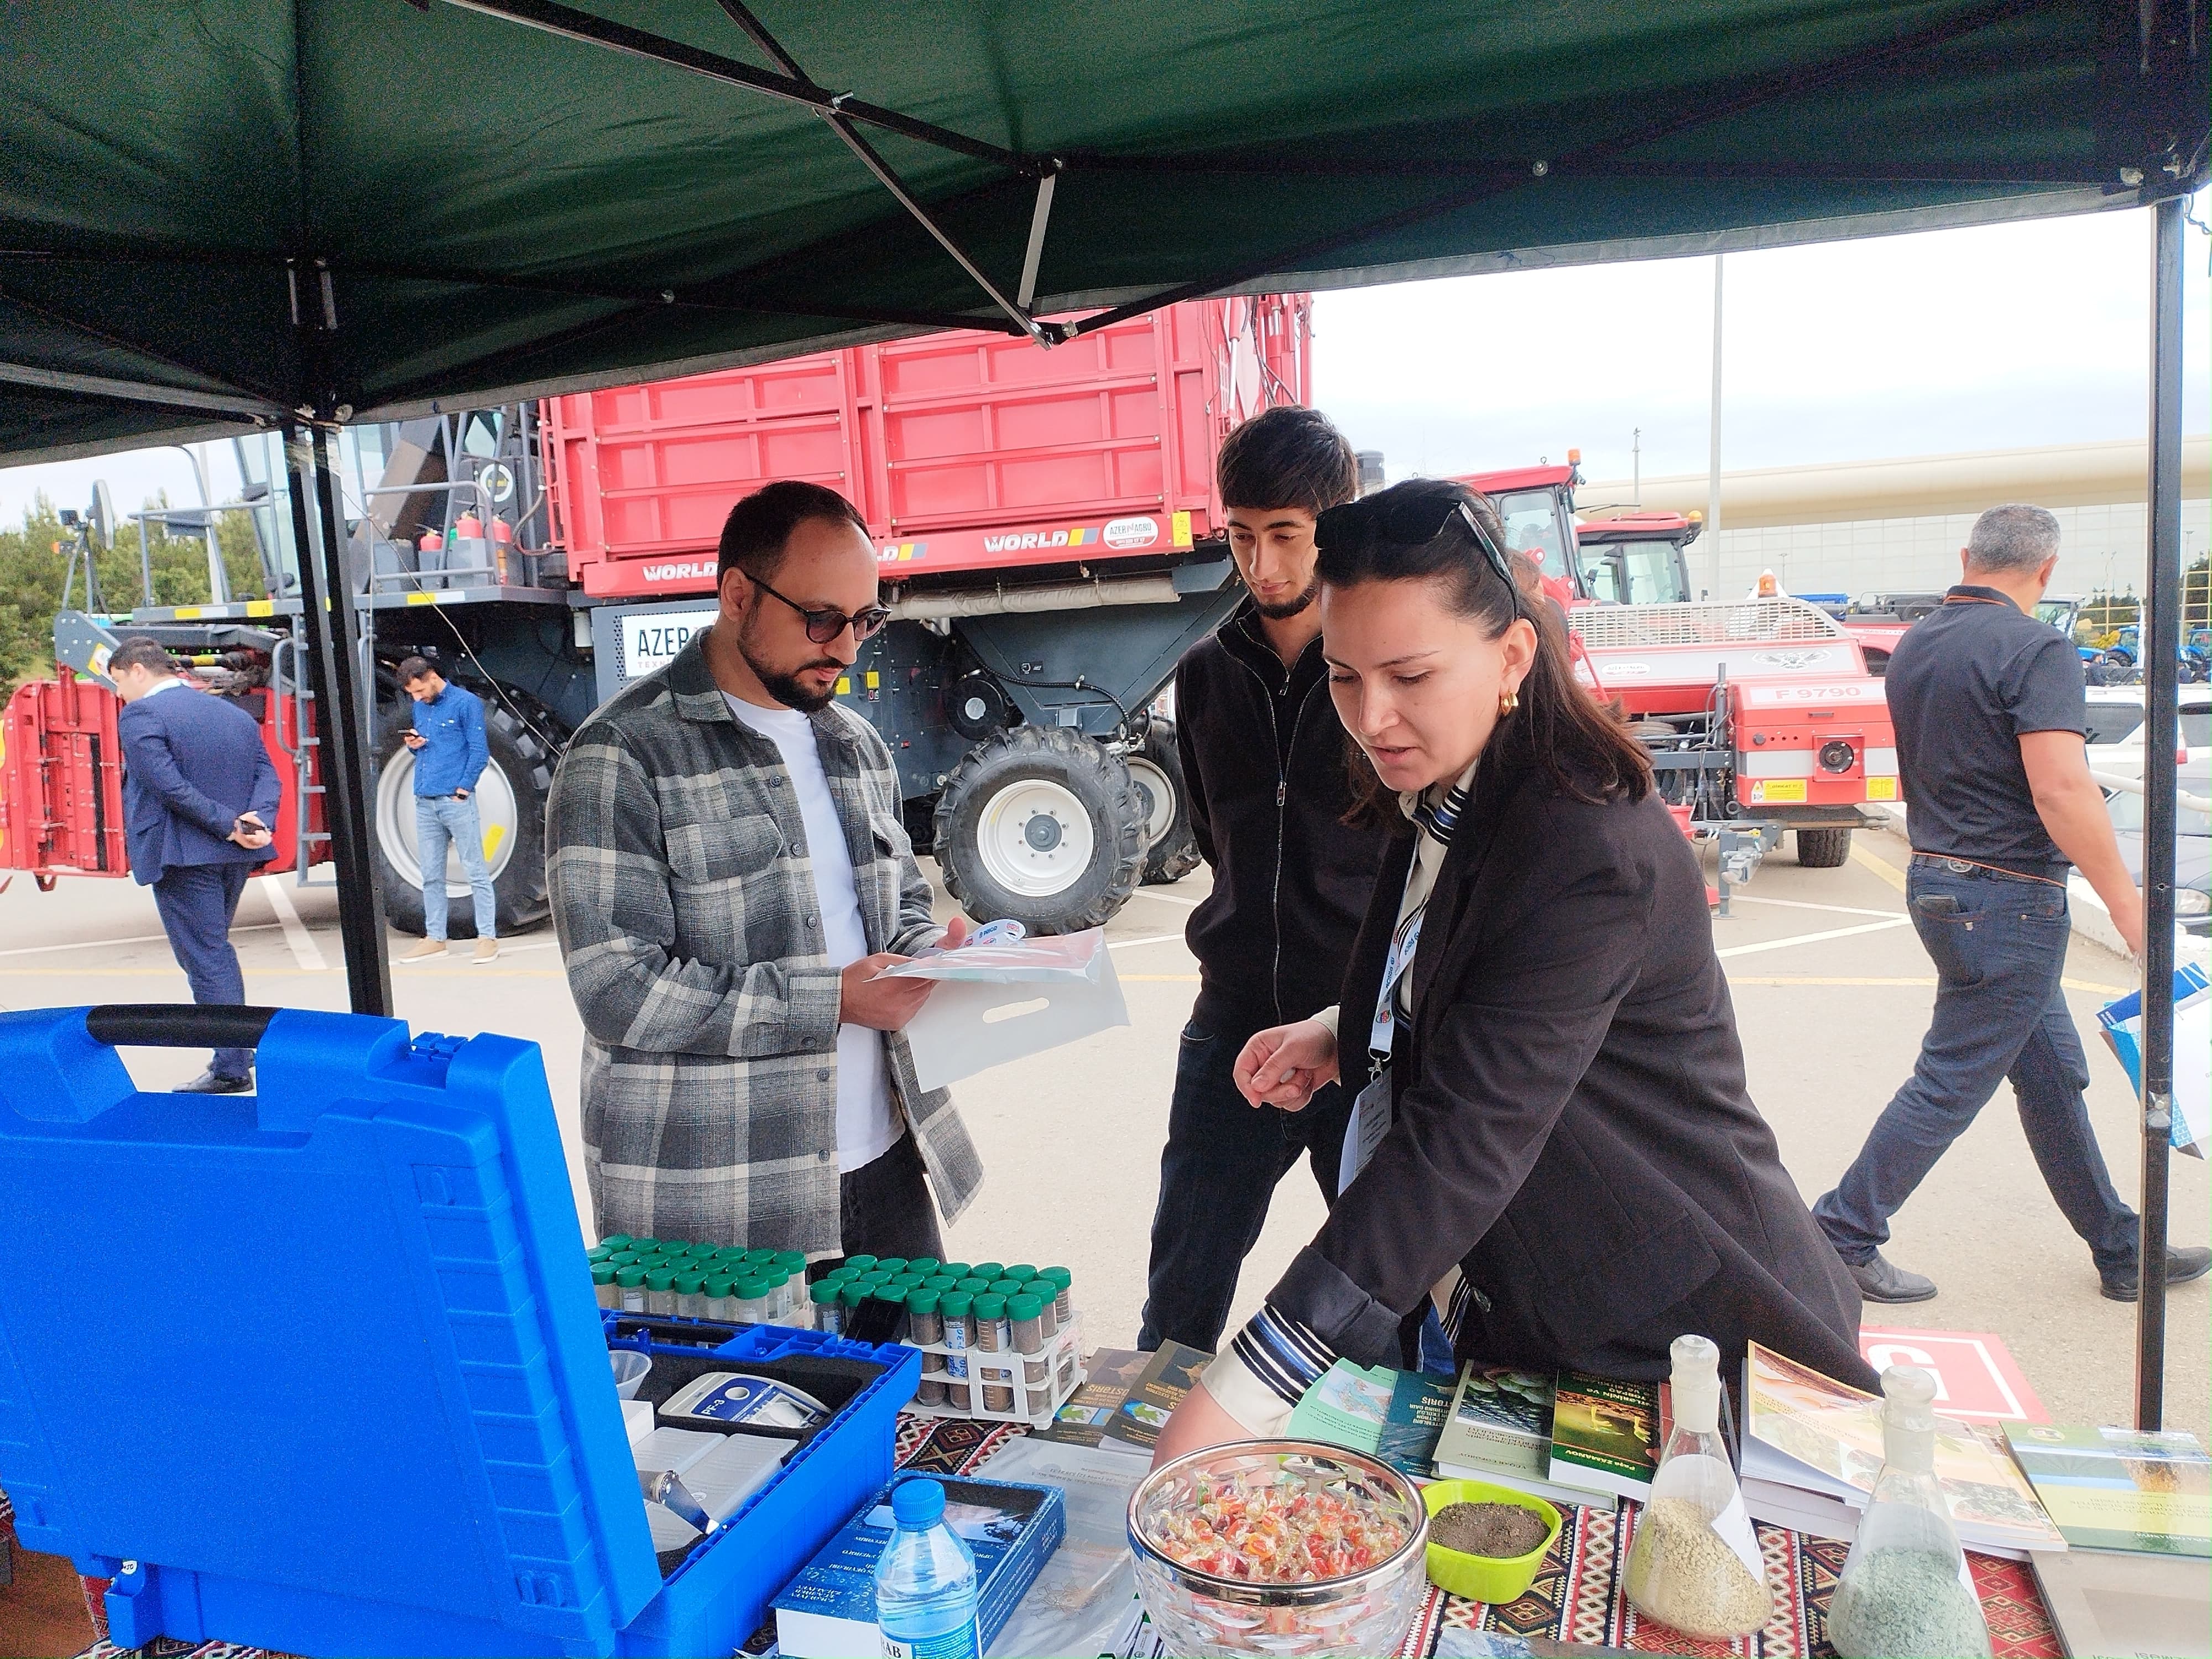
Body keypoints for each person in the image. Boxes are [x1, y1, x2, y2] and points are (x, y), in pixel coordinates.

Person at [1152, 481, 1870, 1463]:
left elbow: (1464, 1141)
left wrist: (1251, 1386)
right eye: (1345, 676)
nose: (1372, 715)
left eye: (1409, 675)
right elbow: (1450, 958)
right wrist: (1341, 1025)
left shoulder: (1586, 845)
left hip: (1669, 1329)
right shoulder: (1448, 779)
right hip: (1523, 1306)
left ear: (1513, 657)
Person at [546, 479, 982, 1258]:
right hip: (725, 1205)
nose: (847, 648)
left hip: (886, 1163)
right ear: (738, 595)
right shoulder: (621, 756)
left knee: (917, 1382)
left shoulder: (855, 744)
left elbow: (901, 910)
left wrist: (941, 957)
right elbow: (617, 990)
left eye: (866, 620)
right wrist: (833, 1001)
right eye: (822, 619)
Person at [1813, 505, 2210, 1305]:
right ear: (2048, 570)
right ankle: (1841, 1234)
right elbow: (2061, 788)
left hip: (1941, 883)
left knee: (2052, 1073)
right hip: (2009, 902)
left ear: (1968, 557)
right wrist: (2129, 907)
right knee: (1952, 1078)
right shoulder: (2037, 648)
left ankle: (2120, 1246)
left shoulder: (1920, 641)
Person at [1138, 406, 1394, 1354]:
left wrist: (1358, 1010)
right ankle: (1147, 1465)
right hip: (1234, 1024)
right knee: (1181, 1292)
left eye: (1286, 536)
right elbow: (1217, 837)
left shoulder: (1378, 673)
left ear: (1334, 525)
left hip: (1361, 1027)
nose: (1263, 565)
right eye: (1243, 537)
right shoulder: (1205, 673)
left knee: (1385, 1297)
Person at [108, 635, 282, 1093]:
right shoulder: (229, 711)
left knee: (206, 958)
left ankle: (231, 1066)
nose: (120, 692)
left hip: (184, 853)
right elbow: (268, 772)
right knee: (214, 952)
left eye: (119, 681)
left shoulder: (141, 714)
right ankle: (236, 1053)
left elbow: (167, 786)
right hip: (234, 854)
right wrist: (255, 822)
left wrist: (228, 824)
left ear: (138, 670)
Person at [392, 656, 500, 965]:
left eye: (419, 690)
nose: (417, 698)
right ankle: (435, 937)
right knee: (431, 875)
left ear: (431, 677)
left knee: (475, 870)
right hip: (424, 799)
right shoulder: (420, 706)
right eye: (412, 693)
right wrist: (415, 744)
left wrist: (463, 790)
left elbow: (479, 750)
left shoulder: (466, 703)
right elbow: (427, 746)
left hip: (455, 799)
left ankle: (487, 937)